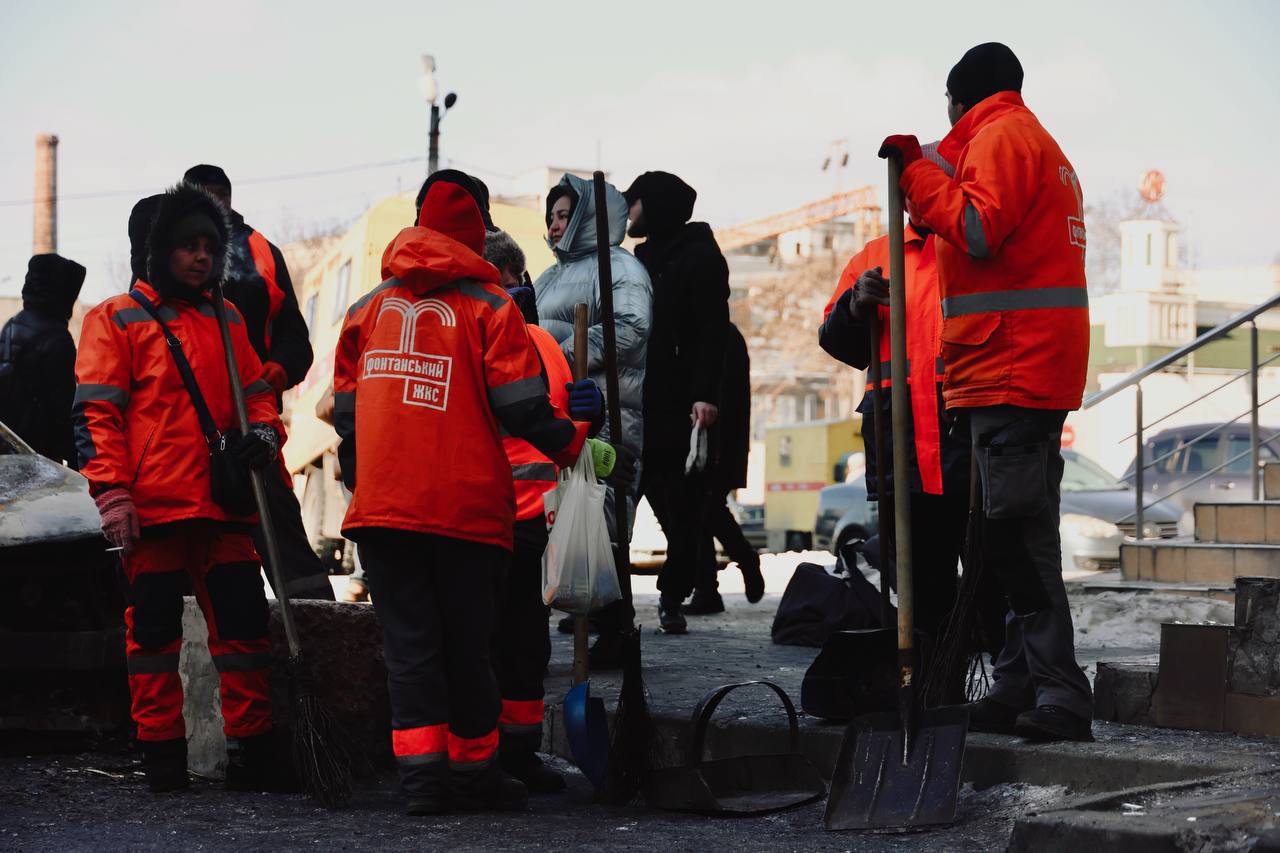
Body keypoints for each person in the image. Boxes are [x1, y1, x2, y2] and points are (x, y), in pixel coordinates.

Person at [334, 177, 617, 815]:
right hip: (463, 513)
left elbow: (348, 415)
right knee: (468, 650)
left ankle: (422, 783)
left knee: (411, 652)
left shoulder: (364, 311)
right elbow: (520, 407)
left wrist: (374, 469)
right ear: (474, 237)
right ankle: (472, 777)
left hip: (384, 514)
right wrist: (574, 441)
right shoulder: (490, 308)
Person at [879, 42, 1093, 741]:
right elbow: (963, 206)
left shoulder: (1002, 138)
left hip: (1010, 367)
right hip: (1014, 367)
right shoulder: (1030, 141)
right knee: (1000, 539)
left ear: (960, 96)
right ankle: (1016, 683)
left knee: (1019, 540)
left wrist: (915, 175)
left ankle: (1061, 691)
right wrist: (924, 170)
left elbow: (974, 225)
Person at [74, 184, 287, 792]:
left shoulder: (228, 319)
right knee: (153, 638)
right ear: (158, 251)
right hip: (155, 510)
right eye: (186, 246)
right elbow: (97, 418)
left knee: (244, 631)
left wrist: (265, 438)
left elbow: (257, 396)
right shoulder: (115, 319)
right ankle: (162, 756)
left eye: (208, 247)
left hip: (222, 504)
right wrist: (112, 496)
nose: (199, 257)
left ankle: (255, 751)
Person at [817, 155, 971, 693]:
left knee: (974, 562)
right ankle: (927, 678)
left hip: (959, 425)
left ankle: (959, 670)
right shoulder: (876, 256)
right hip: (899, 430)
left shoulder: (973, 249)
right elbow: (837, 341)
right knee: (916, 569)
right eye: (913, 188)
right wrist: (857, 306)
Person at [484, 228, 612, 794]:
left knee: (526, 645)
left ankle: (519, 750)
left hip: (532, 519)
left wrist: (593, 415)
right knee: (484, 644)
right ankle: (479, 752)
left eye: (513, 284)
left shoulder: (542, 343)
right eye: (500, 286)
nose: (509, 295)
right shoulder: (468, 335)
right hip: (478, 519)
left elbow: (567, 429)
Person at [182, 164, 332, 601]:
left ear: (228, 199)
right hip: (186, 435)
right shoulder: (170, 257)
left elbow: (294, 341)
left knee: (283, 539)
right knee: (196, 548)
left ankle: (313, 629)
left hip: (253, 427)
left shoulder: (261, 252)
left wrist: (268, 379)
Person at [622, 171, 756, 633]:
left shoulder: (698, 258)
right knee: (624, 504)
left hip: (680, 407)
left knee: (682, 510)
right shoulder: (641, 259)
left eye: (633, 202)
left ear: (653, 206)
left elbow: (709, 333)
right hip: (640, 400)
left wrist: (703, 396)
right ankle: (611, 606)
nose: (627, 212)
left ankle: (673, 596)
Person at [534, 173, 652, 666]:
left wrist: (558, 358)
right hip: (559, 412)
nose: (557, 224)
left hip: (605, 409)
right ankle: (589, 611)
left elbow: (631, 327)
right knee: (566, 514)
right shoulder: (549, 276)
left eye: (566, 214)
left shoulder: (620, 268)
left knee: (602, 515)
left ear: (587, 217)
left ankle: (616, 626)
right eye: (553, 216)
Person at [687, 322, 761, 614]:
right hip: (712, 440)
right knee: (698, 510)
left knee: (705, 507)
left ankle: (743, 558)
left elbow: (726, 399)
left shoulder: (720, 336)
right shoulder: (723, 333)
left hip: (713, 441)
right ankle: (707, 589)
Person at [0, 253, 85, 465]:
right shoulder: (57, 338)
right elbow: (64, 410)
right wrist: (76, 463)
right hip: (39, 458)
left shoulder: (11, 325)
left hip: (9, 449)